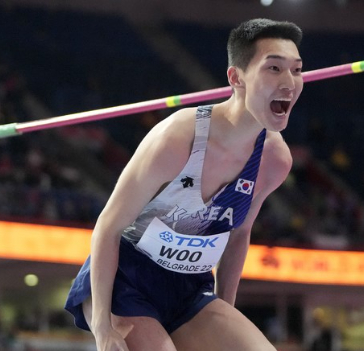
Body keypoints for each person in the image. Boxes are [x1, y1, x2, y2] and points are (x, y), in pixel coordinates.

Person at [65, 18, 304, 351]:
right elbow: (109, 225)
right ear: (237, 78)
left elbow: (238, 235)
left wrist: (224, 315)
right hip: (127, 278)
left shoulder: (275, 161)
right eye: (274, 68)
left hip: (190, 288)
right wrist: (103, 326)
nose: (289, 82)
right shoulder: (176, 139)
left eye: (296, 70)